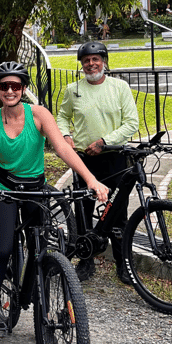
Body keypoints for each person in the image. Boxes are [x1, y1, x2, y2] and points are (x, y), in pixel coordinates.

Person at [0, 61, 108, 344]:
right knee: (1, 250)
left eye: (15, 85)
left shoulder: (38, 115)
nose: (10, 90)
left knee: (40, 247)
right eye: (4, 86)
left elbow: (61, 148)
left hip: (35, 188)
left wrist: (91, 179)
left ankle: (38, 300)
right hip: (4, 188)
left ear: (23, 88)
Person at [57, 41, 139, 284]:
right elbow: (62, 116)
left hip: (114, 157)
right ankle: (86, 260)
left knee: (118, 212)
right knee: (83, 210)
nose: (91, 64)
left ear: (104, 61)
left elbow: (131, 123)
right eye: (86, 60)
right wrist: (65, 135)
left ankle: (123, 263)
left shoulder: (120, 87)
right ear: (81, 64)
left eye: (96, 59)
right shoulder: (73, 90)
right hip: (85, 160)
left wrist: (105, 142)